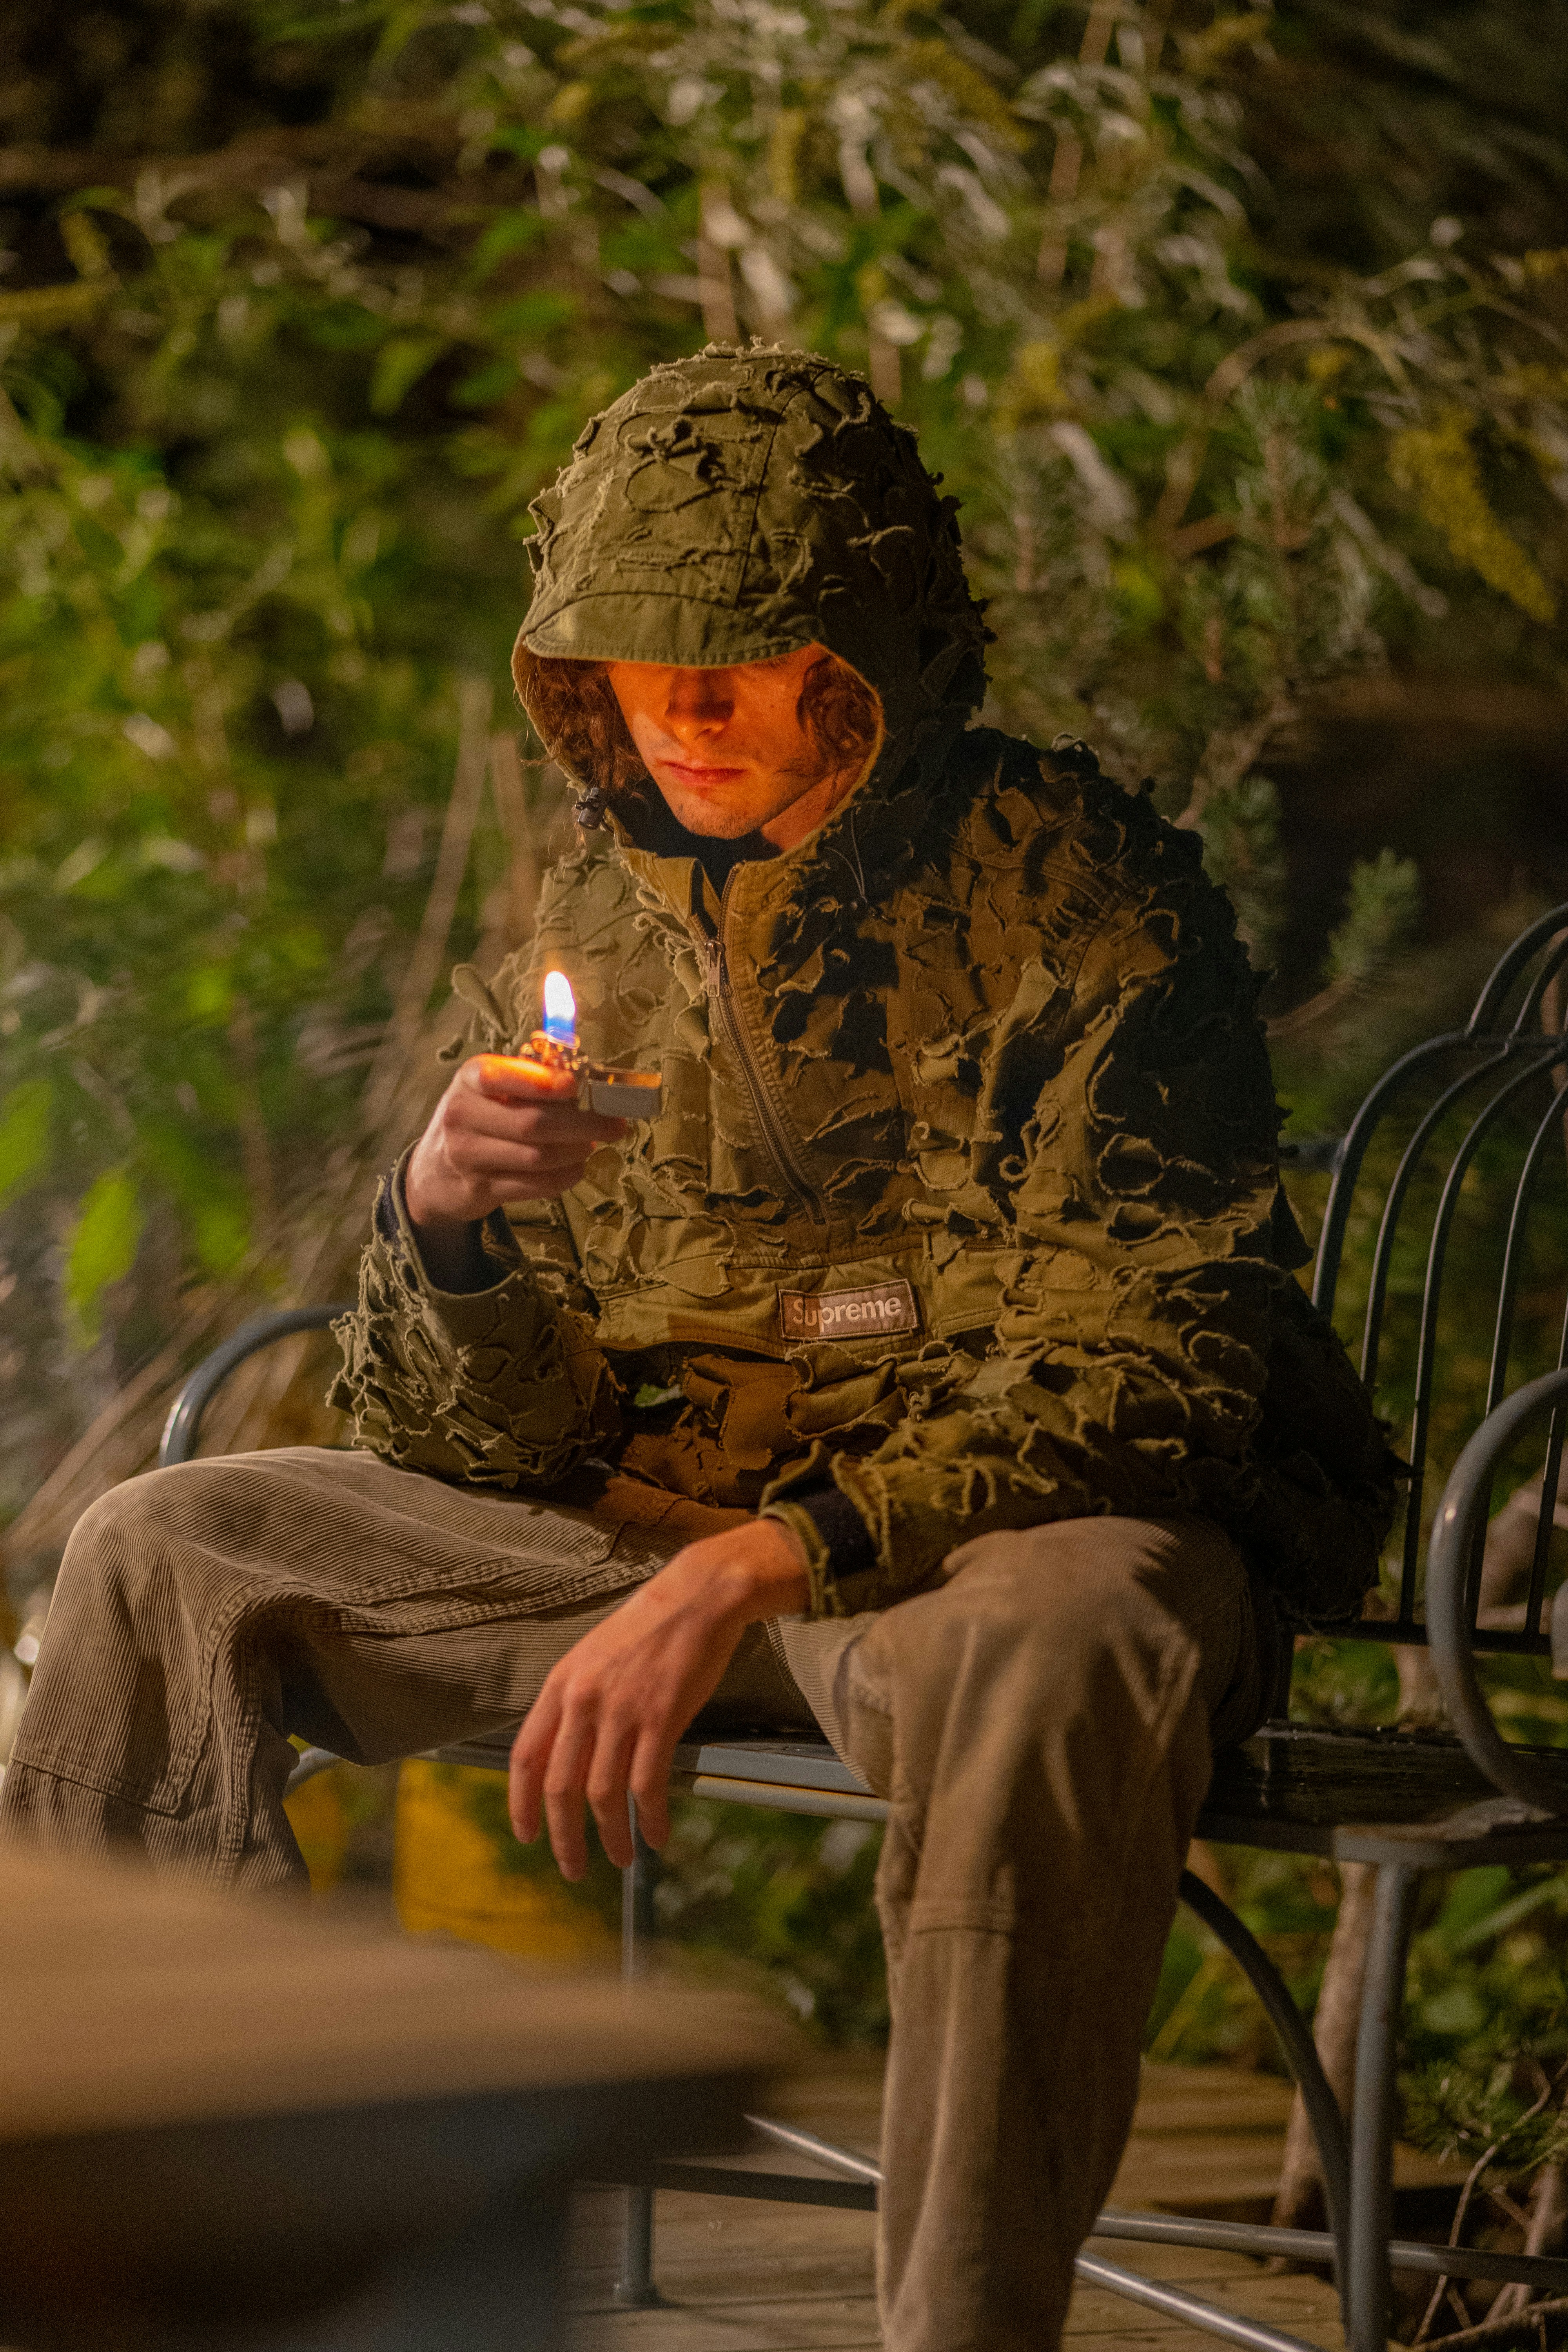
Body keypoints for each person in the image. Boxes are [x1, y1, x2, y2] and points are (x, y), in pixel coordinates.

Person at [2, 346, 1397, 2352]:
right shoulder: (604, 908)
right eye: (640, 672)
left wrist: (777, 1551)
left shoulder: (1083, 898)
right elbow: (482, 1431)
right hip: (643, 1534)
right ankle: (149, 2293)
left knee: (1072, 1636)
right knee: (165, 1547)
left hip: (962, 1564)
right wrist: (446, 1227)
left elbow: (1153, 1354)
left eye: (741, 662)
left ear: (867, 664)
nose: (688, 719)